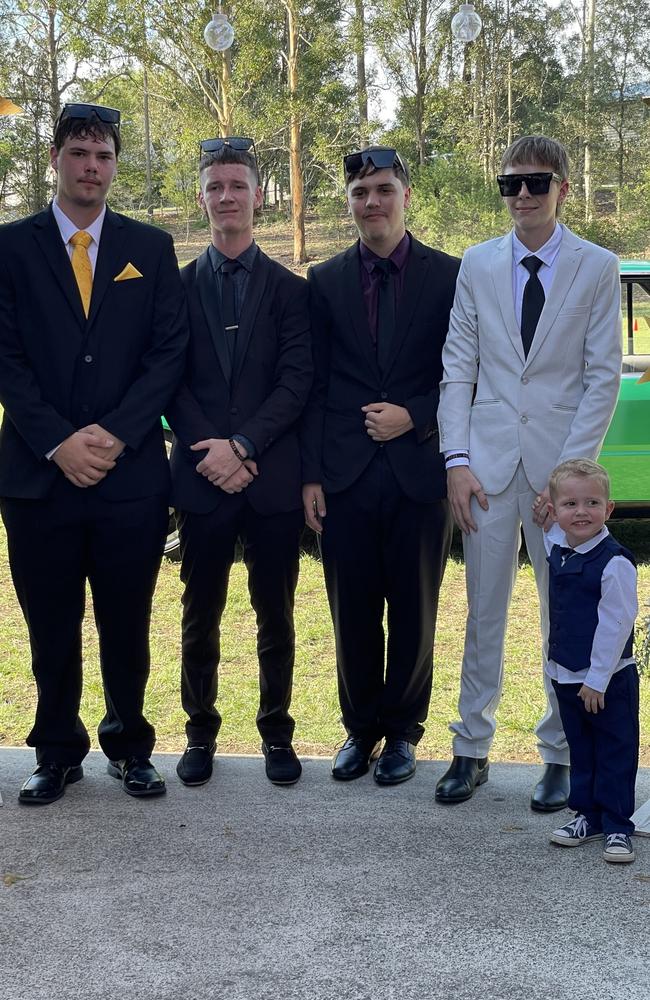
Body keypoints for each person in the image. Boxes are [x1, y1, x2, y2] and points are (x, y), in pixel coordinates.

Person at [0, 103, 188, 803]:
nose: (91, 167)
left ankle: (130, 745)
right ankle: (56, 751)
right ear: (55, 160)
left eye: (104, 155)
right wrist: (56, 440)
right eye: (79, 153)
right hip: (37, 477)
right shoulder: (10, 248)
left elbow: (168, 352)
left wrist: (117, 433)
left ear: (115, 163)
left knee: (125, 622)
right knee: (51, 627)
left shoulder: (151, 247)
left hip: (128, 477)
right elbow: (7, 356)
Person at [436, 135, 622, 811]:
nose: (521, 195)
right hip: (485, 471)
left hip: (559, 481)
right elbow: (460, 366)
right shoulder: (478, 265)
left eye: (535, 183)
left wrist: (567, 481)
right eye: (510, 184)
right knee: (482, 613)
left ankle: (560, 752)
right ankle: (470, 747)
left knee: (563, 617)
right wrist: (456, 461)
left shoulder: (597, 267)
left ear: (562, 189)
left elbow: (601, 377)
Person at [301, 146, 460, 785]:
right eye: (361, 192)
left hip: (421, 473)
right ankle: (359, 728)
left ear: (406, 195)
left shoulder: (452, 276)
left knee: (415, 608)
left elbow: (465, 375)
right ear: (350, 203)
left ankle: (401, 733)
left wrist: (415, 416)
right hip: (344, 475)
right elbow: (312, 384)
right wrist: (310, 473)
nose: (373, 202)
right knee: (352, 609)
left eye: (384, 190)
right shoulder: (325, 280)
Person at [166, 138, 311, 787]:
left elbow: (296, 380)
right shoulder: (174, 288)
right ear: (202, 199)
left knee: (276, 615)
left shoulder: (289, 289)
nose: (226, 197)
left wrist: (246, 447)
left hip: (269, 480)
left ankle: (277, 732)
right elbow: (169, 380)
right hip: (201, 481)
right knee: (200, 614)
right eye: (214, 187)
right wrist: (212, 452)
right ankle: (199, 733)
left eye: (237, 186)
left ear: (258, 195)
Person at [544, 460, 638, 863]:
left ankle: (618, 824)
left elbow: (616, 624)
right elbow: (550, 535)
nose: (580, 512)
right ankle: (588, 815)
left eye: (592, 502)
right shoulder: (560, 547)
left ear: (609, 509)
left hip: (606, 679)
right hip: (566, 673)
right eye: (569, 504)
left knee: (613, 749)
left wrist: (598, 678)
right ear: (554, 509)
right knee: (581, 748)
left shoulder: (614, 562)